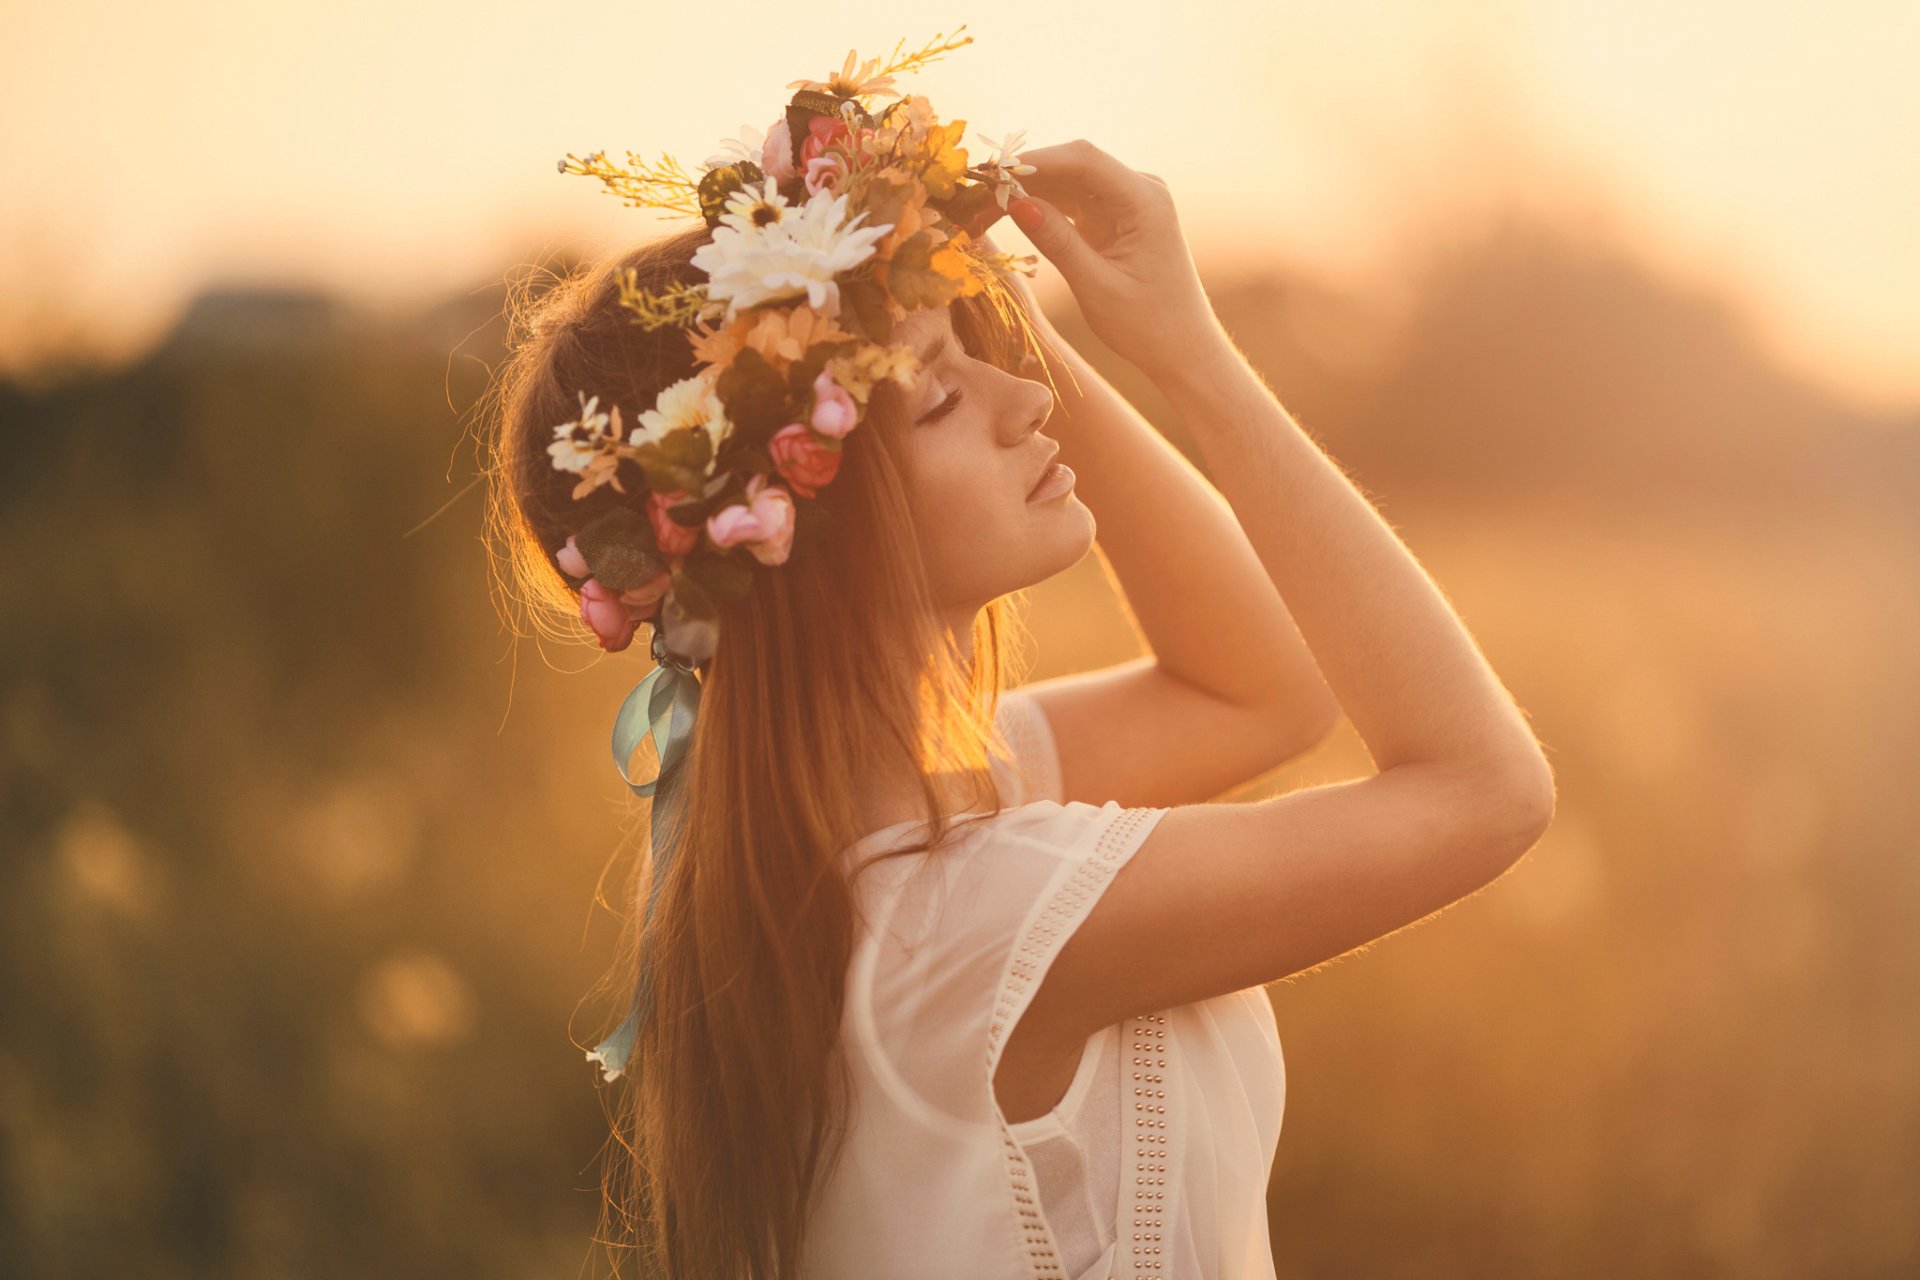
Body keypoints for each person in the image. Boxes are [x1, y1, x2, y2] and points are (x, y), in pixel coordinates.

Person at [485, 105, 1555, 1280]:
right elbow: (1489, 789)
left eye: (995, 358)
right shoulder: (974, 919)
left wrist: (992, 303)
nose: (1027, 397)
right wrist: (1189, 355)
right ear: (802, 523)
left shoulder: (813, 845)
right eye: (943, 395)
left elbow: (1263, 694)